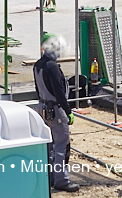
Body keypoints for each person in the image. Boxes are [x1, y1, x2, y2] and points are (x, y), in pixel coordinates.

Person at [33, 33, 80, 193]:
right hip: (55, 110)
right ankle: (61, 180)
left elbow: (37, 89)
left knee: (50, 144)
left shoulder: (38, 65)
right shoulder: (52, 66)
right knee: (61, 144)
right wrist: (68, 111)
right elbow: (59, 91)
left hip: (43, 107)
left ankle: (50, 176)